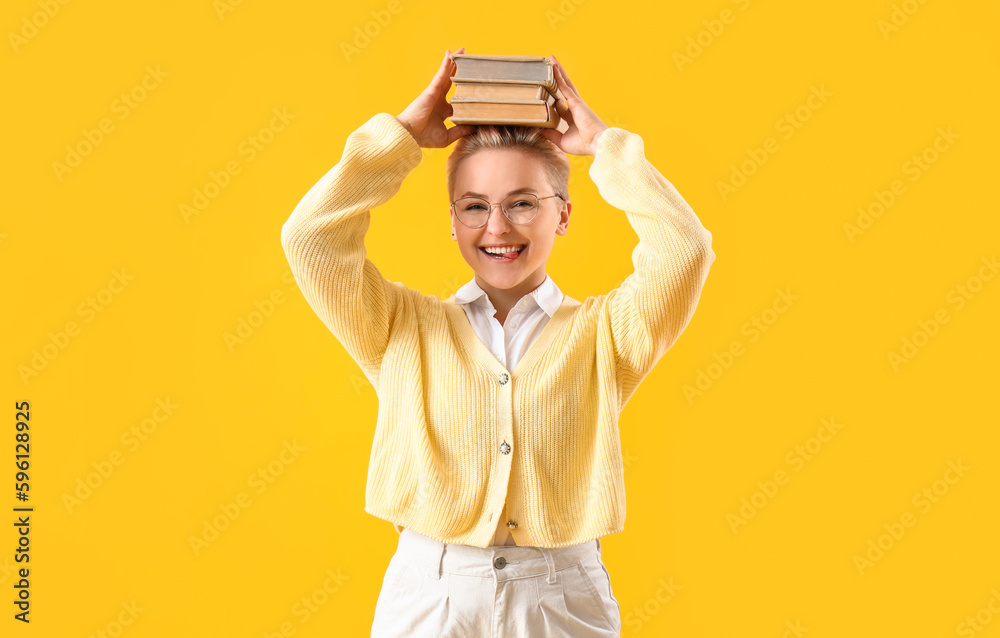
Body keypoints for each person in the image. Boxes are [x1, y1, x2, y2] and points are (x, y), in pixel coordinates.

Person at [280, 47, 716, 637]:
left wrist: (606, 146)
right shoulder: (399, 326)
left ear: (562, 215)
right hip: (430, 596)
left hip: (562, 597)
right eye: (474, 207)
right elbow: (310, 239)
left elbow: (684, 251)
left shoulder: (608, 334)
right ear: (453, 218)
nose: (497, 228)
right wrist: (404, 136)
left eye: (522, 204)